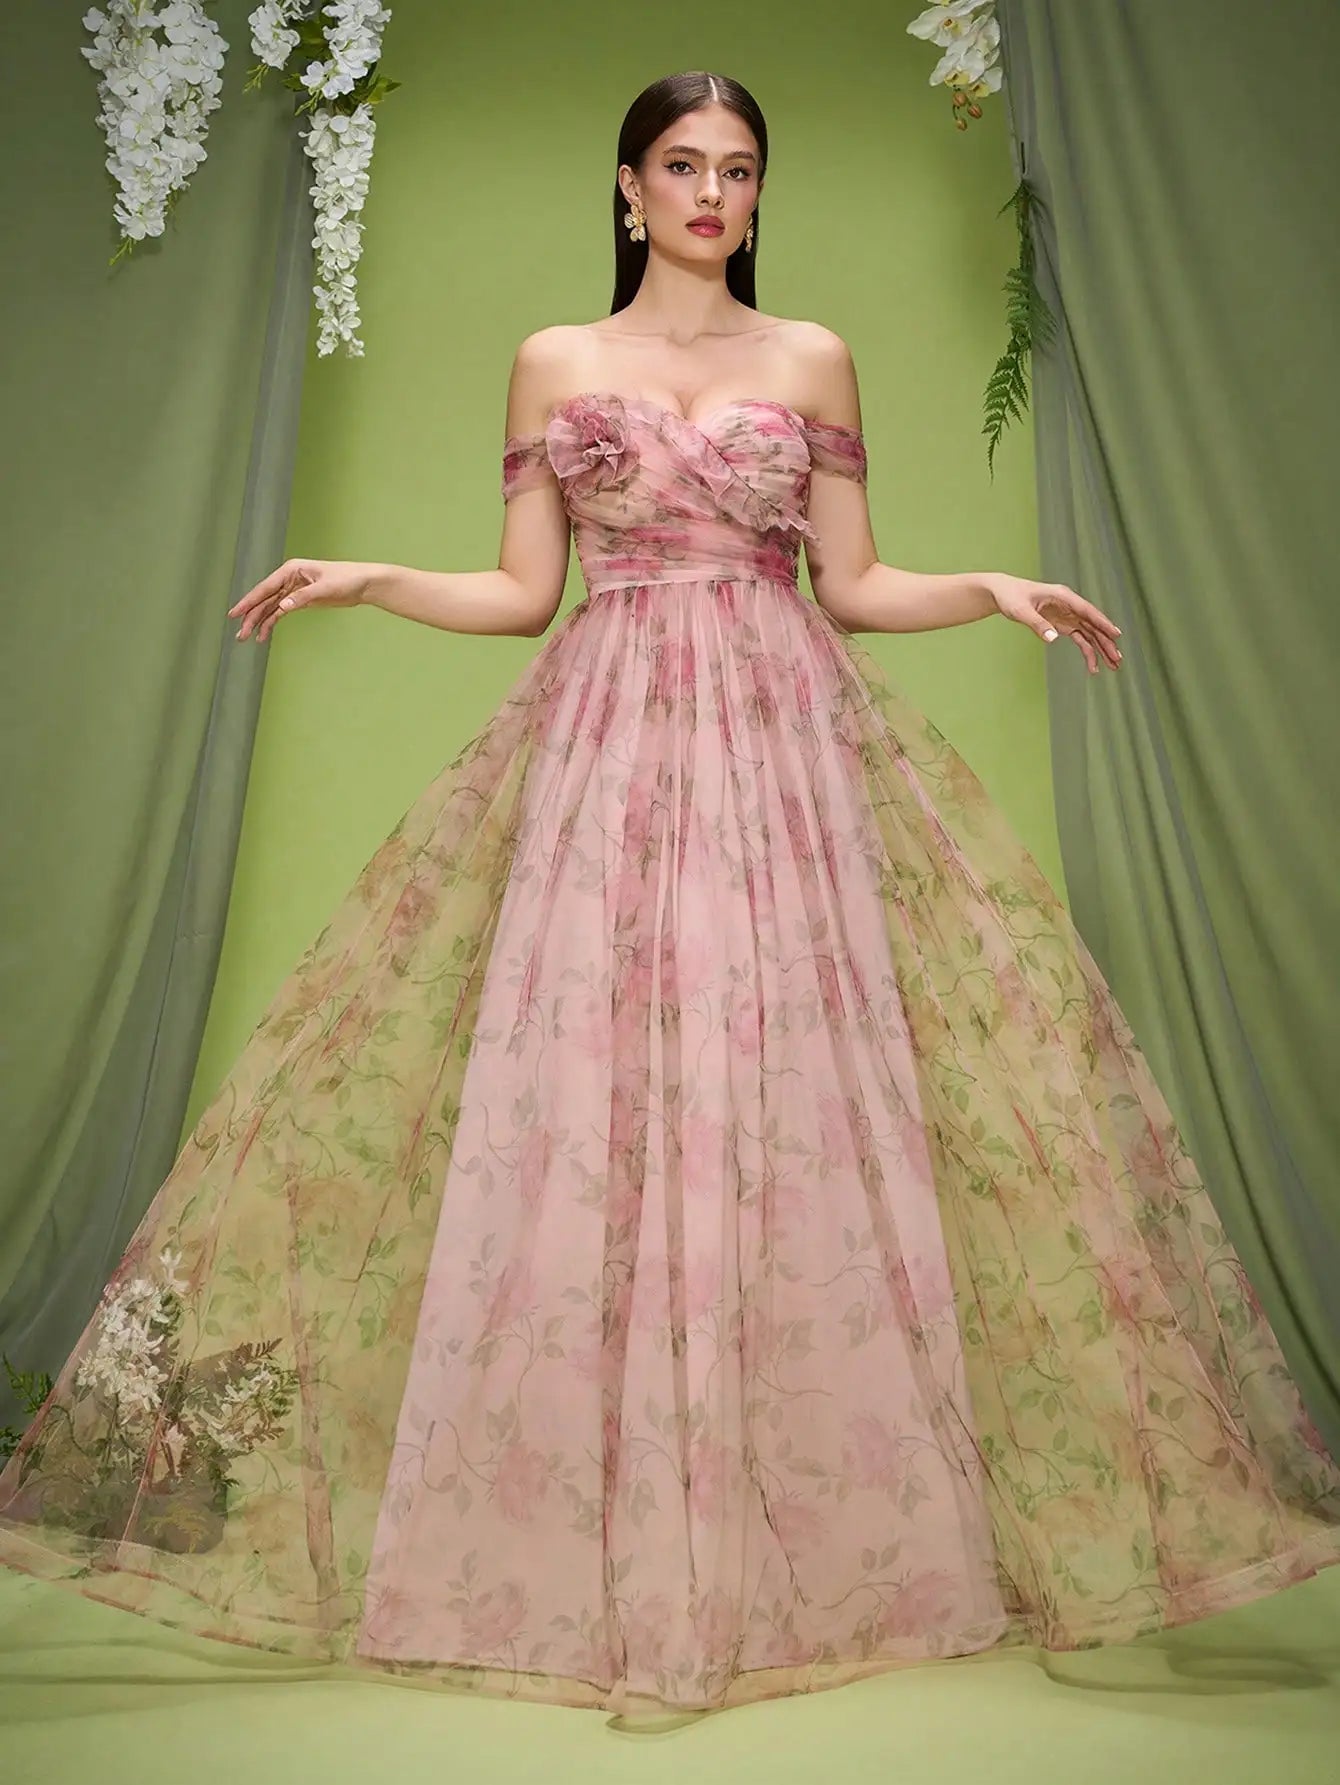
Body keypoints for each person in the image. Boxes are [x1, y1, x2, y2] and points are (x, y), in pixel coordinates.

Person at [2, 69, 1337, 1724]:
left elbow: (853, 582)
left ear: (759, 195)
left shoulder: (811, 357)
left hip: (782, 759)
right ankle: (583, 1534)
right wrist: (366, 574)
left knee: (782, 1097)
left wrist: (993, 585)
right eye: (686, 165)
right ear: (628, 189)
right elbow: (522, 592)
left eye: (742, 169)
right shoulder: (557, 360)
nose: (716, 193)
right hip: (608, 752)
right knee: (596, 1098)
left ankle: (804, 1537)